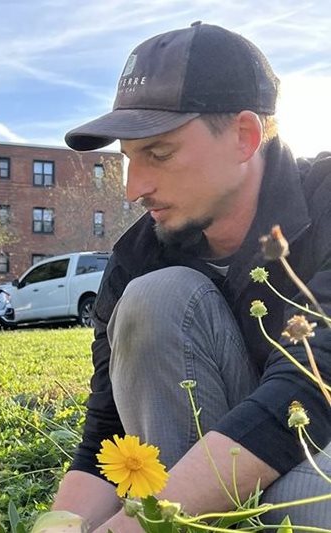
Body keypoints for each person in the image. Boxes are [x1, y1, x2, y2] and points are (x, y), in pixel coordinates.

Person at [51, 22, 331, 531]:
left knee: (305, 499)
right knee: (155, 298)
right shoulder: (137, 255)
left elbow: (311, 388)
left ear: (244, 136)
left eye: (158, 154)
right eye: (128, 160)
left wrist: (135, 527)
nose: (134, 188)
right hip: (212, 473)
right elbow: (108, 433)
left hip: (320, 438)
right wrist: (62, 525)